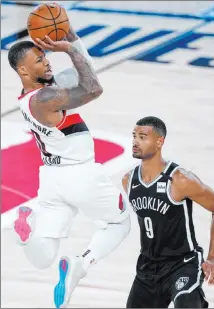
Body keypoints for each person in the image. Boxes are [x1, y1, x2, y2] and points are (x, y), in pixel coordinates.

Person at [8, 14, 131, 309]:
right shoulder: (47, 97)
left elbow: (85, 73)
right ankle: (82, 263)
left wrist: (72, 35)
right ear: (23, 70)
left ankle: (25, 232)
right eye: (38, 60)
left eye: (45, 55)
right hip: (80, 175)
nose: (47, 61)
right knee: (120, 222)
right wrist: (70, 49)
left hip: (52, 180)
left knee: (43, 256)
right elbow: (93, 89)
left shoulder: (30, 98)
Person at [122, 116, 214, 308]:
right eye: (134, 136)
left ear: (159, 142)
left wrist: (213, 258)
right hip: (147, 266)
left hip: (182, 264)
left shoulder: (179, 180)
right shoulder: (129, 180)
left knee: (187, 303)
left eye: (143, 137)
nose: (135, 142)